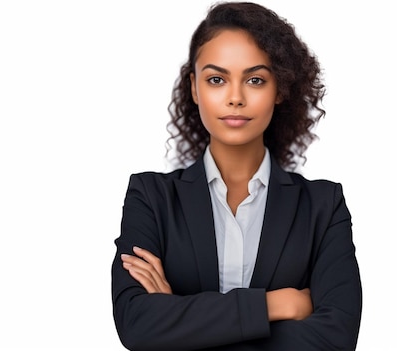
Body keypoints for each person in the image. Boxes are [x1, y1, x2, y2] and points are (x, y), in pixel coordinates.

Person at [111, 2, 362, 350]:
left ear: (280, 90)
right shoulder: (151, 197)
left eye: (255, 80)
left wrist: (180, 323)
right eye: (216, 79)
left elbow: (335, 340)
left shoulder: (323, 206)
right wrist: (276, 305)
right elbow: (137, 325)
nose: (235, 98)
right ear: (195, 88)